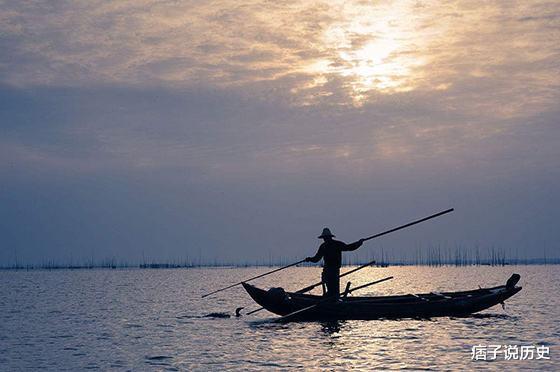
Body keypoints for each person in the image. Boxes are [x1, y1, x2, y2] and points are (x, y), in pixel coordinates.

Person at [305, 228, 364, 298]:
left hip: (333, 271)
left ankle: (332, 300)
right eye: (324, 238)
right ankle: (331, 299)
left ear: (329, 237)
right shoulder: (324, 246)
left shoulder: (335, 245)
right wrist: (309, 259)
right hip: (327, 271)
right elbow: (316, 259)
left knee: (334, 290)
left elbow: (349, 247)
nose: (325, 239)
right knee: (331, 290)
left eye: (326, 238)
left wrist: (358, 243)